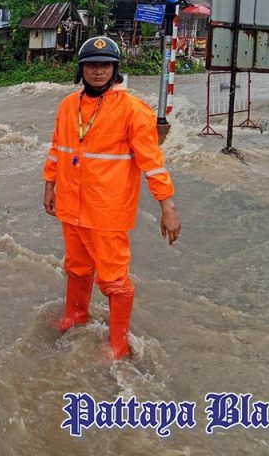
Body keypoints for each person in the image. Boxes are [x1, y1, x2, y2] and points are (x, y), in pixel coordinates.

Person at [42, 36, 181, 359]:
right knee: (76, 267)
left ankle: (118, 345)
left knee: (115, 279)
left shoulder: (133, 110)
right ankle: (76, 315)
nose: (98, 71)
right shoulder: (68, 106)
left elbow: (152, 163)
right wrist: (49, 184)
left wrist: (167, 206)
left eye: (105, 65)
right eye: (91, 65)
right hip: (71, 206)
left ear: (115, 69)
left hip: (107, 212)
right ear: (81, 70)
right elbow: (57, 149)